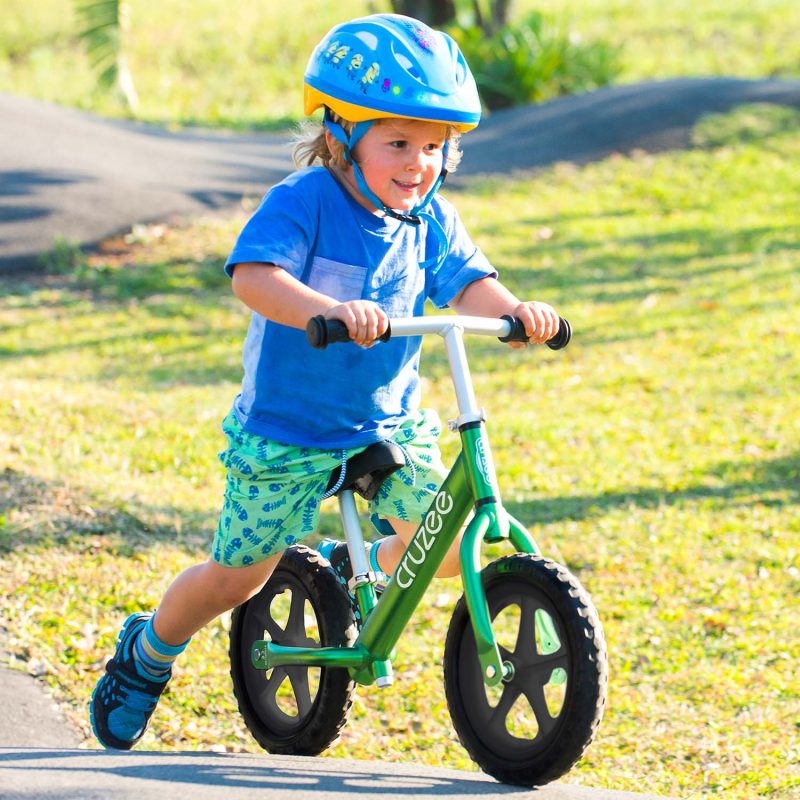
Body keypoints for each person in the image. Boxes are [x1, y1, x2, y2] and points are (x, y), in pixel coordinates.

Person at [89, 12, 561, 751]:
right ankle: (149, 651)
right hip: (288, 432)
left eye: (435, 146)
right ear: (342, 135)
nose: (418, 164)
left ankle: (352, 565)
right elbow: (254, 276)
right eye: (397, 142)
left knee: (446, 540)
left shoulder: (428, 217)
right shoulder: (305, 201)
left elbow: (469, 284)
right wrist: (326, 310)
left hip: (385, 423)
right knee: (237, 580)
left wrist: (516, 313)